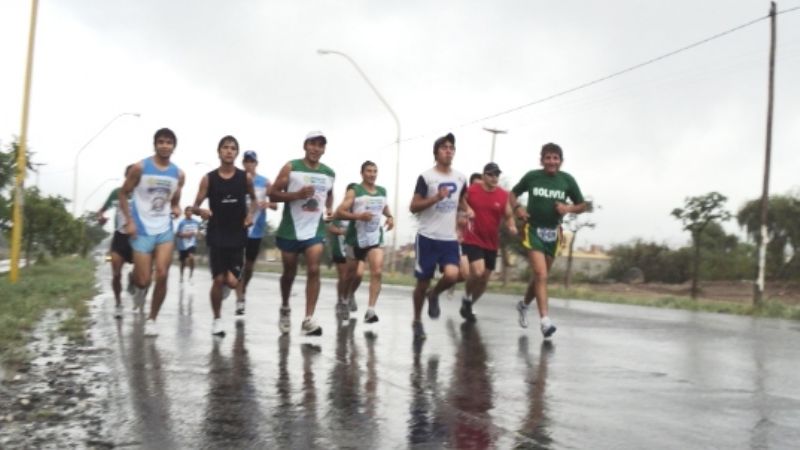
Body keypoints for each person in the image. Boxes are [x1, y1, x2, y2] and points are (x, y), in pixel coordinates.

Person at [509, 142, 586, 338]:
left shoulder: (567, 180)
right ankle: (545, 321)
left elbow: (583, 205)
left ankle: (524, 305)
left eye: (555, 158)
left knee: (539, 277)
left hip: (553, 233)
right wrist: (517, 208)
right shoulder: (532, 177)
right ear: (541, 160)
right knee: (541, 274)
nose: (551, 161)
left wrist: (567, 209)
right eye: (548, 158)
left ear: (561, 161)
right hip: (532, 229)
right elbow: (511, 193)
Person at [119, 128, 185, 337]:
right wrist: (129, 221)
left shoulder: (178, 174)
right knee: (144, 280)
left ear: (174, 146)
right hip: (142, 229)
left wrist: (176, 207)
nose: (165, 146)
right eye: (161, 142)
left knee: (163, 274)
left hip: (164, 229)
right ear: (155, 144)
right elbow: (123, 193)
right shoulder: (140, 168)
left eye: (169, 142)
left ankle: (152, 318)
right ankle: (135, 282)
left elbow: (175, 198)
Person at [268, 131, 335, 336]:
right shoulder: (292, 167)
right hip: (291, 229)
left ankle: (308, 318)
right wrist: (296, 195)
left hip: (314, 229)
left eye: (320, 145)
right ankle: (285, 307)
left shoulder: (329, 173)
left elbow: (330, 193)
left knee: (314, 268)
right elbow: (272, 193)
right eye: (312, 144)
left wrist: (329, 210)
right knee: (289, 272)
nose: (316, 149)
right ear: (305, 146)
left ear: (324, 149)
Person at [192, 135, 256, 337]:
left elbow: (254, 200)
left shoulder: (244, 177)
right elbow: (194, 206)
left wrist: (249, 215)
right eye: (225, 147)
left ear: (237, 153)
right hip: (217, 233)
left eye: (232, 148)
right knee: (218, 279)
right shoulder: (208, 178)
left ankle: (227, 287)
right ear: (218, 152)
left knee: (231, 281)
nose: (229, 151)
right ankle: (217, 320)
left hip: (238, 234)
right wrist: (199, 211)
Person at [409, 133, 469, 341]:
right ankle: (417, 321)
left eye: (451, 147)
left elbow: (461, 200)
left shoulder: (461, 178)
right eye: (444, 147)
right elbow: (414, 206)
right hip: (427, 237)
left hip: (448, 239)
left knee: (453, 275)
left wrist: (467, 211)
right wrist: (436, 197)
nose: (448, 150)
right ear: (436, 153)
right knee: (422, 283)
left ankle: (434, 295)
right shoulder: (426, 177)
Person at [335, 161, 394, 324]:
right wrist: (358, 217)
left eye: (375, 171)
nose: (372, 174)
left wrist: (390, 216)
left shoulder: (382, 191)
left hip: (375, 238)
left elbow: (384, 206)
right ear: (362, 173)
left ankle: (370, 310)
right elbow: (339, 212)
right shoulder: (355, 191)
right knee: (349, 275)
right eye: (369, 171)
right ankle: (344, 301)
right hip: (356, 239)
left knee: (377, 271)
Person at [459, 163, 516, 322]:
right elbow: (459, 200)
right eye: (491, 174)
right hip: (472, 238)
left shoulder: (503, 195)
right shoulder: (472, 190)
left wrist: (511, 225)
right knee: (477, 272)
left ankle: (468, 302)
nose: (494, 178)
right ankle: (466, 296)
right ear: (484, 176)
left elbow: (509, 214)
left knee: (484, 280)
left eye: (497, 175)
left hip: (491, 242)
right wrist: (464, 213)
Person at [234, 150, 277, 316]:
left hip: (256, 230)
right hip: (238, 229)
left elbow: (275, 205)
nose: (249, 164)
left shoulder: (265, 182)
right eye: (246, 161)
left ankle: (243, 289)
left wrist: (267, 204)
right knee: (239, 264)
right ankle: (239, 299)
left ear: (256, 163)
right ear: (243, 163)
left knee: (249, 266)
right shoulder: (237, 179)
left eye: (252, 161)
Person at [96, 164, 135, 319]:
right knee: (116, 272)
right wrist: (101, 218)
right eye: (129, 175)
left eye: (135, 176)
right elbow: (101, 211)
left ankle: (133, 278)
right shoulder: (116, 193)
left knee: (142, 277)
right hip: (119, 237)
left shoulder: (144, 194)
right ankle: (118, 304)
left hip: (138, 238)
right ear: (126, 177)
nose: (132, 179)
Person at [327, 218, 353, 321]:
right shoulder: (340, 213)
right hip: (339, 249)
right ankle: (341, 302)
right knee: (343, 277)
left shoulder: (358, 212)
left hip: (352, 248)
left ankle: (346, 299)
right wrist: (342, 232)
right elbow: (331, 228)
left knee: (351, 276)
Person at [176, 206, 201, 283]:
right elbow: (177, 234)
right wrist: (185, 234)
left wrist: (199, 235)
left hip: (192, 244)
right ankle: (181, 276)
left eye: (191, 211)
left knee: (192, 258)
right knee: (182, 262)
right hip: (182, 245)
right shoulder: (182, 223)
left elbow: (200, 232)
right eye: (188, 211)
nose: (189, 212)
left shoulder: (196, 222)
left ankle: (191, 275)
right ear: (185, 213)